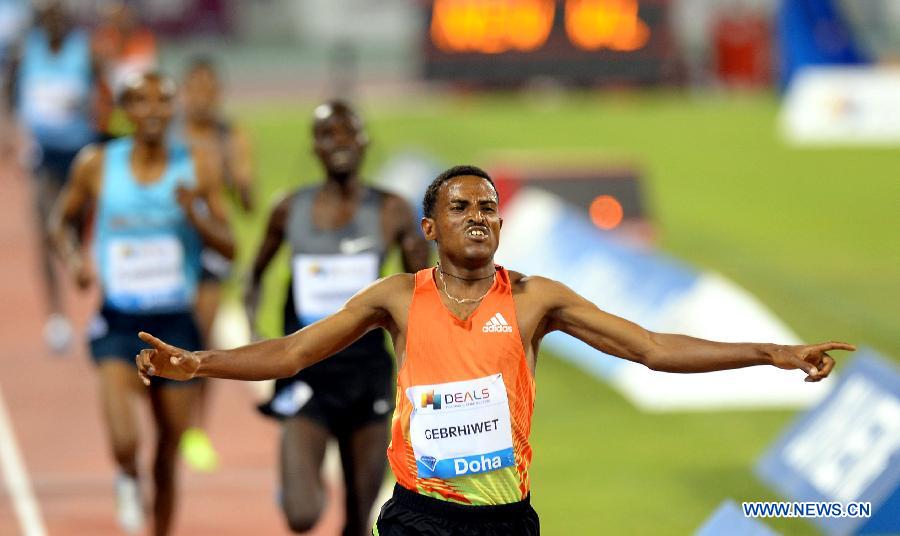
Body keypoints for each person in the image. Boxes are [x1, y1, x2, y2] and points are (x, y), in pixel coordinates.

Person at [137, 165, 854, 536]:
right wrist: (199, 365)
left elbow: (653, 347)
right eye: (461, 207)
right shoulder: (395, 297)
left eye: (488, 209)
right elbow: (295, 353)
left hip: (507, 518)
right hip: (420, 514)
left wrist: (770, 351)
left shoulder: (536, 298)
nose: (479, 218)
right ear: (428, 225)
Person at [51, 72, 233, 536]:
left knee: (169, 449)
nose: (153, 111)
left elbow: (230, 246)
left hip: (176, 322)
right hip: (119, 321)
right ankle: (126, 475)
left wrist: (195, 213)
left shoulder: (197, 165)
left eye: (163, 101)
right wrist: (74, 259)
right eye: (142, 102)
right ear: (124, 109)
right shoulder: (97, 164)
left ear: (173, 108)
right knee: (125, 439)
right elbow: (61, 221)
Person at [245, 100, 428, 535]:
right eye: (329, 134)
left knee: (357, 522)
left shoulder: (391, 211)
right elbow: (253, 277)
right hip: (308, 370)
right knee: (302, 514)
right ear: (315, 146)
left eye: (349, 133)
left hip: (367, 374)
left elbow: (425, 290)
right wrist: (255, 328)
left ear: (365, 141)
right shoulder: (289, 208)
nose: (340, 143)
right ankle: (300, 477)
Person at [172, 55, 256, 473]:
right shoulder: (167, 135)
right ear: (184, 92)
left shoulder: (229, 136)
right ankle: (166, 416)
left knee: (199, 338)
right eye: (195, 89)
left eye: (209, 90)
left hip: (211, 247)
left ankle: (193, 429)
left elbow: (247, 202)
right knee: (164, 330)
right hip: (170, 247)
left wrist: (242, 183)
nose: (202, 98)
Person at [4, 0, 101, 352]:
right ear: (40, 20)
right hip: (43, 156)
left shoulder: (84, 52)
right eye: (49, 16)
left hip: (80, 156)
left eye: (61, 15)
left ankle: (96, 309)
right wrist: (14, 134)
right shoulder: (26, 51)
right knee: (47, 232)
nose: (55, 22)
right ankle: (57, 317)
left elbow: (104, 96)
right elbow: (10, 93)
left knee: (81, 234)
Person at [91, 0, 157, 139]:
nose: (121, 20)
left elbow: (145, 77)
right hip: (108, 118)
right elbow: (100, 74)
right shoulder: (102, 41)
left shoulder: (144, 40)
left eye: (123, 14)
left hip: (136, 118)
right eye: (115, 17)